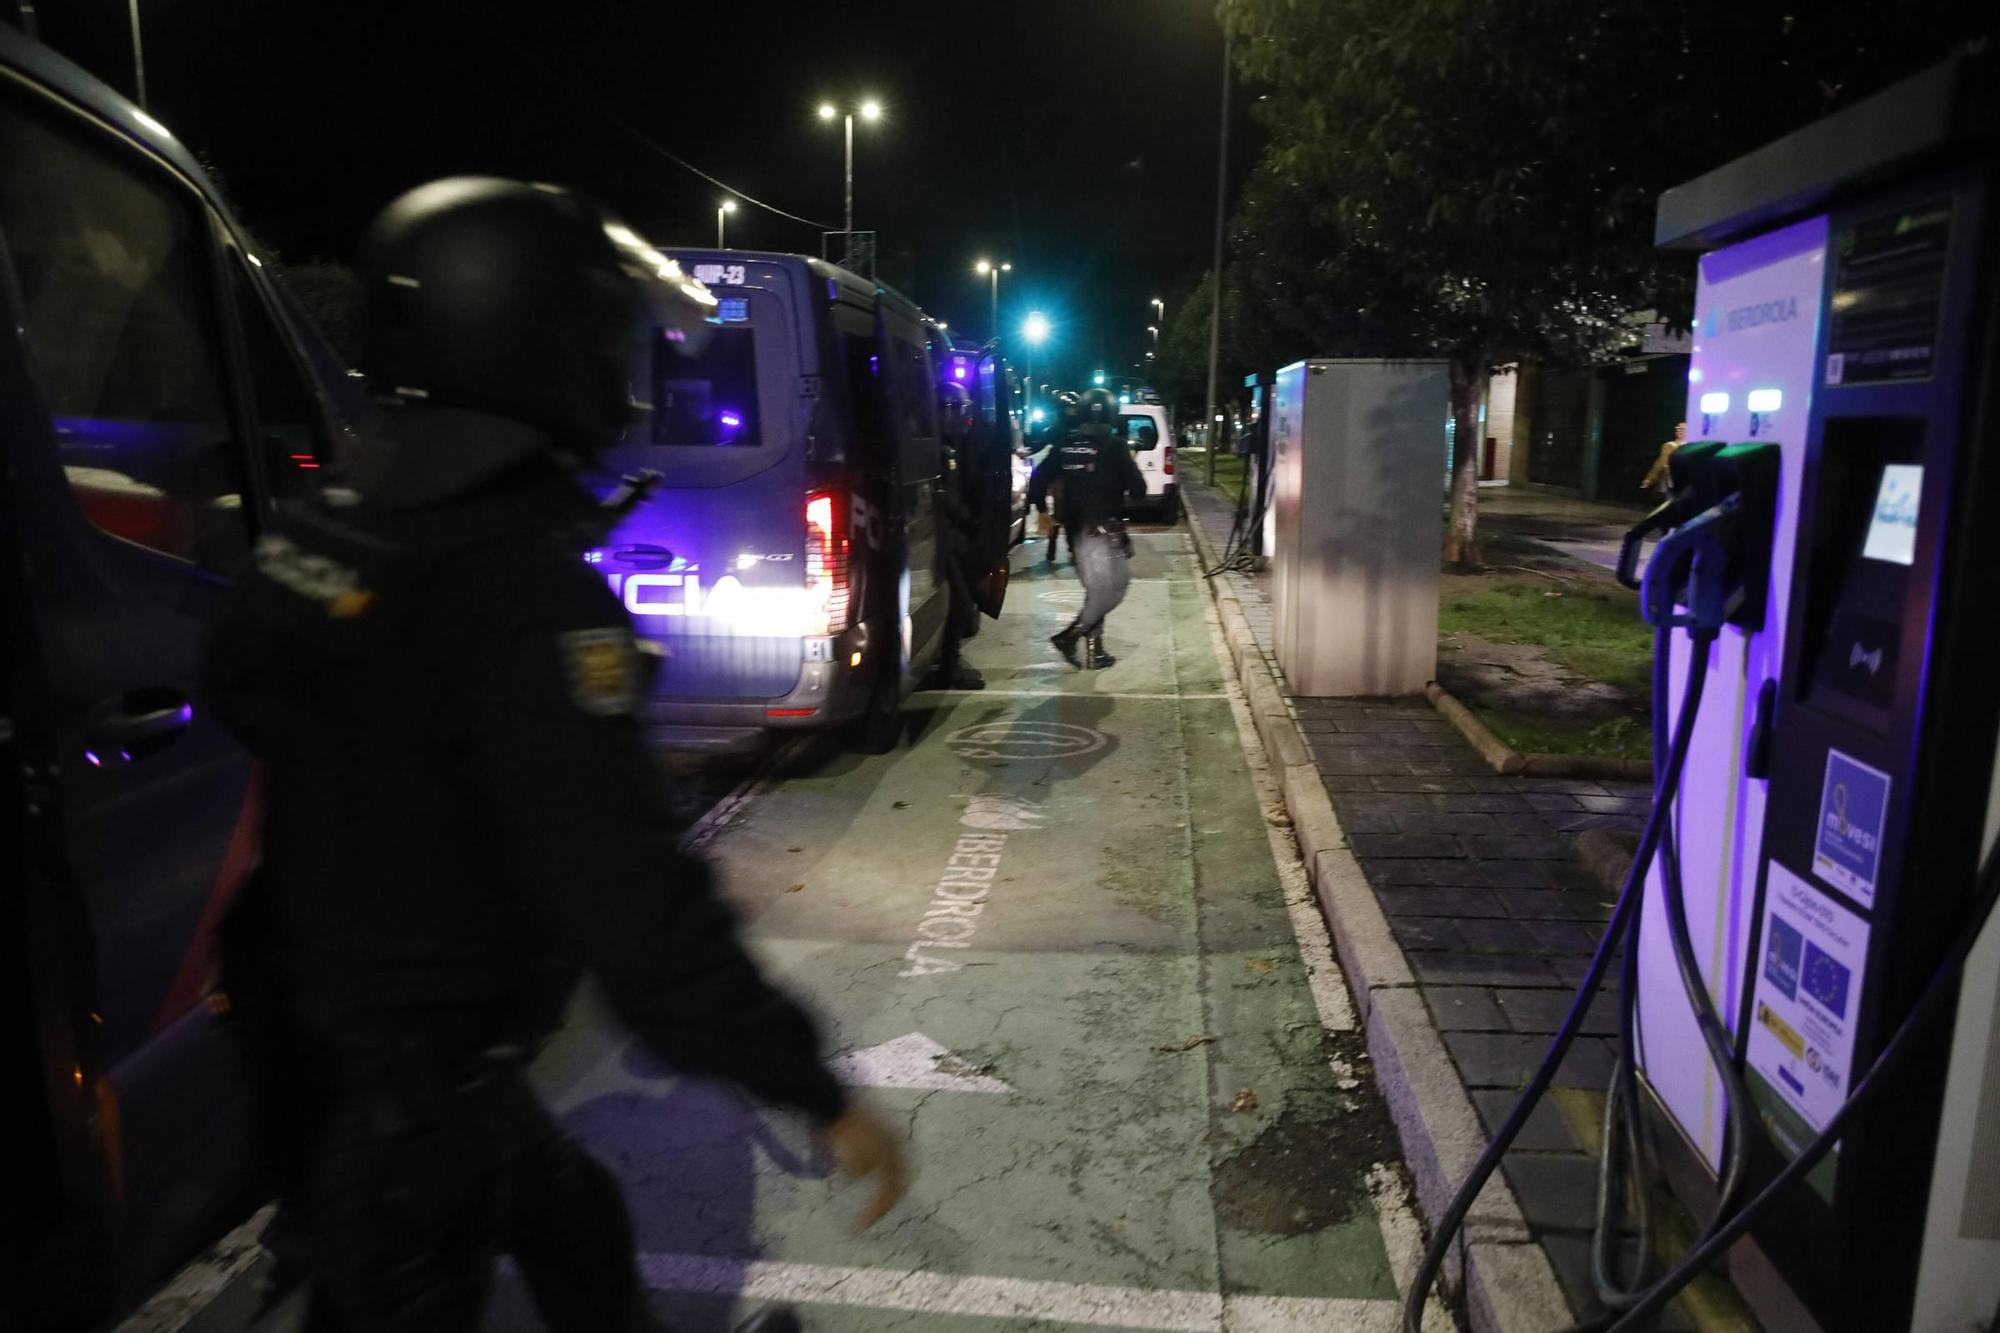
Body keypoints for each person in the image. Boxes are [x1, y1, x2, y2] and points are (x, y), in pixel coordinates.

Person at [203, 178, 906, 1333]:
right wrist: (810, 1086)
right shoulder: (520, 588)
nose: (619, 371)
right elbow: (633, 905)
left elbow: (237, 683)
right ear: (529, 342)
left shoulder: (335, 518)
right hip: (415, 1086)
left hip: (319, 1034)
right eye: (599, 336)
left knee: (574, 1220)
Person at [1039, 387, 1146, 669]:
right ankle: (1073, 638)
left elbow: (1038, 479)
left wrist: (1043, 512)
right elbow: (1139, 490)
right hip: (1105, 532)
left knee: (1098, 589)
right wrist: (1127, 470)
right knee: (1111, 589)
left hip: (1076, 533)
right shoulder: (1116, 447)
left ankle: (1092, 646)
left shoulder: (1065, 444)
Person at [930, 380, 986, 689]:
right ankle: (948, 665)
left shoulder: (946, 446)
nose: (965, 419)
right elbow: (950, 501)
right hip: (945, 535)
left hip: (942, 533)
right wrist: (973, 522)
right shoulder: (944, 451)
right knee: (961, 601)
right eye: (961, 411)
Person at [1027, 390, 1082, 568]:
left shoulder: (1081, 426)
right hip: (1064, 470)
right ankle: (1046, 520)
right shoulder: (1058, 427)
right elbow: (1042, 441)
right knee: (1037, 481)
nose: (1072, 412)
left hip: (1077, 469)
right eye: (1069, 409)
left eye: (1073, 408)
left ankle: (1065, 544)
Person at [1641, 420, 1688, 497]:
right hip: (1670, 480)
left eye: (1683, 429)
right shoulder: (1668, 445)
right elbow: (1660, 463)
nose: (1680, 431)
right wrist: (1649, 479)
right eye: (1678, 428)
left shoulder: (1692, 446)